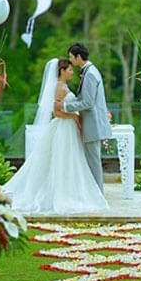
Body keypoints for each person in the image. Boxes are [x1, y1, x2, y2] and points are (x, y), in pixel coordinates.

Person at [3, 58, 108, 214]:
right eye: (70, 70)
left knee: (72, 161)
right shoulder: (59, 87)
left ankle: (73, 190)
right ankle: (62, 193)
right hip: (64, 128)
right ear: (62, 71)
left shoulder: (64, 86)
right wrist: (74, 117)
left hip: (70, 128)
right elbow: (56, 112)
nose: (72, 72)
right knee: (64, 160)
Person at [62, 43, 113, 192]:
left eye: (71, 57)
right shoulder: (88, 71)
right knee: (91, 160)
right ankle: (94, 193)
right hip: (90, 123)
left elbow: (88, 102)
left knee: (93, 161)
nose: (71, 60)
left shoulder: (90, 74)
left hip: (93, 123)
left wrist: (66, 107)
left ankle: (98, 194)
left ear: (78, 57)